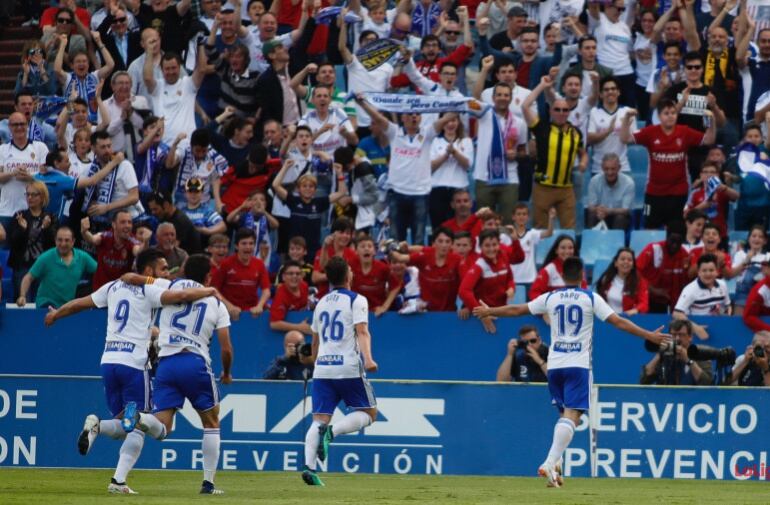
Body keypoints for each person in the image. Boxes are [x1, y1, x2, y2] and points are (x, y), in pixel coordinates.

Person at [473, 256, 668, 487]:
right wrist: (649, 335)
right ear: (583, 277)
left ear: (562, 276)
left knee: (566, 419)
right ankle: (549, 462)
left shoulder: (551, 297)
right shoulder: (590, 298)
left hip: (555, 366)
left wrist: (490, 310)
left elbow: (518, 309)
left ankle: (555, 469)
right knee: (573, 417)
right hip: (578, 365)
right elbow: (618, 322)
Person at [44, 249, 217, 495]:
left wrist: (55, 314)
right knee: (138, 423)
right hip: (134, 364)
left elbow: (78, 305)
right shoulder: (150, 290)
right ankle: (118, 481)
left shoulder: (113, 287)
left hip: (109, 362)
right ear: (148, 271)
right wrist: (210, 291)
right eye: (163, 268)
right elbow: (184, 295)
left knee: (122, 426)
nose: (167, 273)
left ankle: (97, 427)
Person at [119, 254, 233, 495]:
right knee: (211, 423)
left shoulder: (168, 285)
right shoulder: (216, 303)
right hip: (194, 361)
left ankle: (140, 417)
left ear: (183, 269)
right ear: (208, 277)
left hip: (167, 363)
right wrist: (227, 372)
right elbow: (226, 347)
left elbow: (129, 278)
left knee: (162, 426)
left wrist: (140, 277)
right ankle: (208, 484)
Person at [301, 256, 378, 486]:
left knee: (318, 419)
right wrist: (369, 359)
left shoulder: (321, 303)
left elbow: (314, 342)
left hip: (323, 369)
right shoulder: (357, 300)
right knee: (369, 413)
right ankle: (332, 433)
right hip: (348, 367)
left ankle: (309, 468)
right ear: (347, 276)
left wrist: (318, 365)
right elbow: (362, 332)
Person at [354, 94, 453, 245]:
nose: (414, 117)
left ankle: (416, 269)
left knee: (418, 238)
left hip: (420, 193)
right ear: (402, 118)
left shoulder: (427, 133)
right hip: (397, 193)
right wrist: (362, 103)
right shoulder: (394, 132)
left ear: (421, 118)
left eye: (417, 114)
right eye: (410, 114)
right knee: (395, 239)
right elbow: (378, 118)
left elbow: (446, 118)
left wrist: (463, 103)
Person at [620, 100, 715, 229]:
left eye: (673, 113)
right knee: (650, 230)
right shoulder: (650, 132)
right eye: (666, 113)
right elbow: (625, 138)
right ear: (659, 116)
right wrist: (626, 119)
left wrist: (711, 122)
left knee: (676, 232)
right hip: (654, 193)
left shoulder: (684, 132)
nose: (670, 116)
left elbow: (708, 140)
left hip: (678, 193)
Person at [521, 75, 588, 229]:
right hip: (543, 186)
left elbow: (583, 153)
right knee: (540, 228)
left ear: (569, 112)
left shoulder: (576, 133)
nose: (561, 112)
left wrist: (583, 162)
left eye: (565, 110)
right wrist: (542, 86)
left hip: (566, 188)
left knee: (569, 229)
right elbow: (525, 106)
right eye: (557, 109)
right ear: (551, 111)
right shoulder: (541, 127)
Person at [473, 83, 527, 225]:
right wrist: (485, 70)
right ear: (493, 97)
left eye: (506, 95)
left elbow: (523, 150)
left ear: (510, 98)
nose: (502, 98)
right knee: (483, 223)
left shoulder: (519, 123)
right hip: (484, 177)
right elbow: (474, 96)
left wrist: (516, 154)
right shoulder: (483, 115)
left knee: (508, 223)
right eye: (499, 95)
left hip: (510, 179)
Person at [17, 226, 96, 309]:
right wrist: (22, 295)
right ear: (55, 241)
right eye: (60, 240)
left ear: (73, 241)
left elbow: (100, 271)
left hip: (68, 307)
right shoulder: (46, 257)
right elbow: (28, 277)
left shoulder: (82, 257)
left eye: (67, 240)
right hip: (46, 304)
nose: (63, 244)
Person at [7, 181, 57, 299]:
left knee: (42, 303)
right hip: (22, 267)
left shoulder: (50, 217)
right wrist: (22, 230)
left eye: (34, 195)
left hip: (43, 268)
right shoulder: (19, 216)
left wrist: (46, 228)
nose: (30, 198)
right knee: (22, 302)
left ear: (42, 197)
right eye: (27, 194)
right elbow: (12, 241)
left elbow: (55, 243)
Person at [459, 229, 515, 334]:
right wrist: (482, 314)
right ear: (480, 247)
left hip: (502, 312)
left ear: (499, 244)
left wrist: (511, 287)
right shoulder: (479, 265)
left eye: (494, 245)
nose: (491, 249)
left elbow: (510, 278)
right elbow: (464, 291)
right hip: (486, 317)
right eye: (487, 245)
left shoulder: (503, 257)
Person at [0, 112, 49, 231]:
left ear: (27, 125)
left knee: (32, 248)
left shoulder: (40, 147)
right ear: (10, 127)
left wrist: (30, 177)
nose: (19, 127)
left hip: (33, 211)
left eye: (22, 124)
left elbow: (47, 178)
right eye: (15, 124)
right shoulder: (2, 150)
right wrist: (13, 173)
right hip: (7, 210)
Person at [81, 210, 150, 289]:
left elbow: (138, 251)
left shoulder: (132, 241)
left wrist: (146, 241)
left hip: (120, 290)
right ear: (114, 224)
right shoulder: (106, 236)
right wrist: (84, 231)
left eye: (129, 222)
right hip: (100, 289)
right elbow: (93, 239)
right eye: (123, 222)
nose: (127, 225)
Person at [211, 227, 271, 316]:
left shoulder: (259, 264)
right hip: (228, 314)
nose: (248, 247)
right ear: (236, 246)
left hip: (252, 314)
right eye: (244, 243)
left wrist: (260, 306)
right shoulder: (226, 264)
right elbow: (214, 289)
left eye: (251, 244)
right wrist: (229, 306)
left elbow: (266, 290)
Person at [636, 222, 690, 313]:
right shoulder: (653, 249)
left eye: (678, 242)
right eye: (672, 241)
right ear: (666, 237)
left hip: (672, 302)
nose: (675, 245)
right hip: (649, 299)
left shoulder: (684, 255)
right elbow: (635, 272)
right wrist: (653, 290)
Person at [640, 319, 713, 386]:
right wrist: (659, 354)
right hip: (667, 398)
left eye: (681, 335)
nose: (677, 338)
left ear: (690, 337)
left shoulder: (700, 354)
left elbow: (707, 383)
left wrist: (688, 360)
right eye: (674, 335)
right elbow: (644, 380)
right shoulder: (665, 355)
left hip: (693, 398)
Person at [585, 153, 635, 230]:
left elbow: (626, 210)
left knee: (620, 217)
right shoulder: (594, 181)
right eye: (606, 169)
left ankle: (616, 242)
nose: (610, 172)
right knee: (592, 215)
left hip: (619, 216)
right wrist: (598, 210)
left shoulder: (628, 183)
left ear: (619, 168)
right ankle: (590, 240)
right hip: (601, 215)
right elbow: (591, 206)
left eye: (613, 169)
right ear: (602, 168)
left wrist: (608, 211)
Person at [596, 247, 649, 315]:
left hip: (629, 321)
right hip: (608, 320)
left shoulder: (640, 282)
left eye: (629, 260)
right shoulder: (606, 280)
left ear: (633, 265)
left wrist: (635, 310)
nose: (626, 262)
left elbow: (644, 304)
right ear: (616, 263)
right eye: (622, 259)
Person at [529, 235, 584, 299]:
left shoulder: (579, 267)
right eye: (563, 248)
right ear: (556, 250)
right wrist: (546, 305)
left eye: (570, 248)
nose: (567, 251)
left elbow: (584, 291)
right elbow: (534, 293)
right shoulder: (548, 269)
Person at [733, 226, 769, 316]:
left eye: (760, 237)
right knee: (738, 320)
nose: (757, 239)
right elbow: (733, 273)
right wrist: (747, 258)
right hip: (743, 293)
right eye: (754, 236)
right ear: (749, 238)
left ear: (765, 241)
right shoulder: (740, 254)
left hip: (762, 293)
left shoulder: (768, 256)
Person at [269, 260, 312, 334]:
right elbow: (274, 324)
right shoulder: (281, 294)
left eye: (298, 274)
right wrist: (299, 327)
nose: (294, 276)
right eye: (290, 273)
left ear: (302, 276)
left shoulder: (304, 286)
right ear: (283, 277)